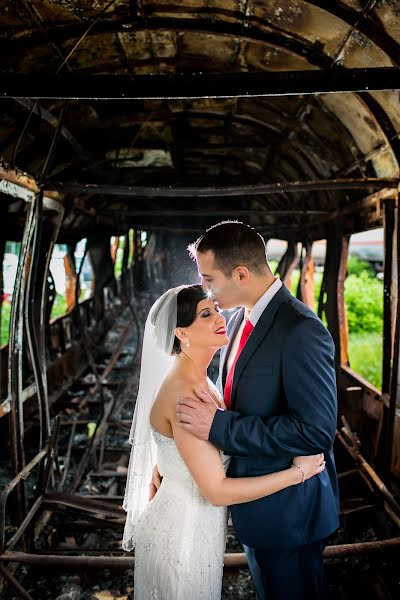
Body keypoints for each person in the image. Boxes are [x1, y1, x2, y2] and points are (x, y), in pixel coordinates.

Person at [123, 284, 326, 600]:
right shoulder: (185, 396)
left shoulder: (198, 378)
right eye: (206, 314)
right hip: (181, 536)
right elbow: (216, 491)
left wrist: (166, 464)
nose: (220, 317)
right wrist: (298, 473)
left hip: (197, 527)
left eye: (215, 309)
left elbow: (182, 444)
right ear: (182, 333)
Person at [170, 221, 340, 600]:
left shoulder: (300, 330)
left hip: (289, 515)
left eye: (209, 279)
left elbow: (315, 432)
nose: (207, 291)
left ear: (241, 274)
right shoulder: (236, 318)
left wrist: (220, 427)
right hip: (255, 505)